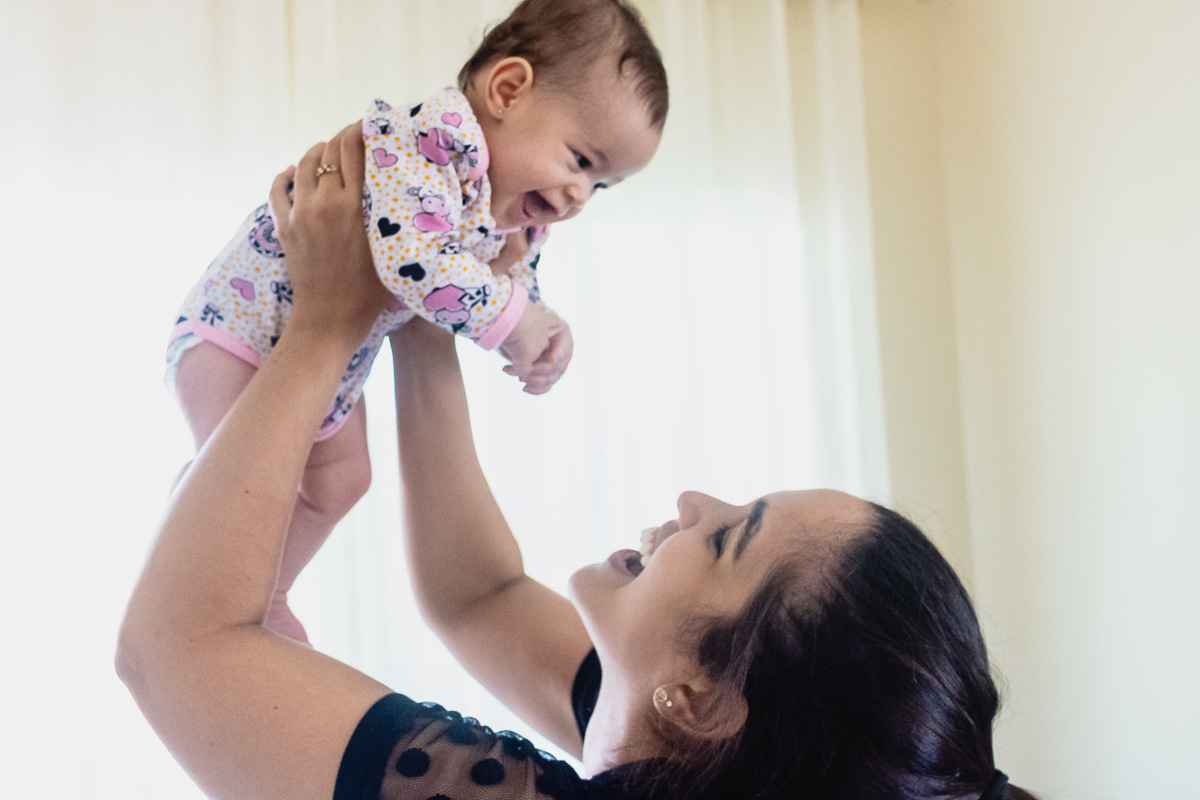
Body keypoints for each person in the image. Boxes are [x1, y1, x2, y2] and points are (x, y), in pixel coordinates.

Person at [119, 127, 1036, 799]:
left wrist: (325, 324)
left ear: (700, 701)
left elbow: (175, 651)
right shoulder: (699, 756)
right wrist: (423, 301)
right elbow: (475, 596)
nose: (693, 499)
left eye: (728, 539)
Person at [162, 0, 668, 642]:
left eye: (601, 187)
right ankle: (195, 565)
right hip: (234, 333)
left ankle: (271, 589)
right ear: (507, 91)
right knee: (244, 479)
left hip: (325, 364)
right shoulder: (429, 144)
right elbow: (415, 262)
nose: (579, 198)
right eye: (582, 161)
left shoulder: (511, 208)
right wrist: (517, 322)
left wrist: (539, 327)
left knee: (345, 481)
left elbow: (505, 280)